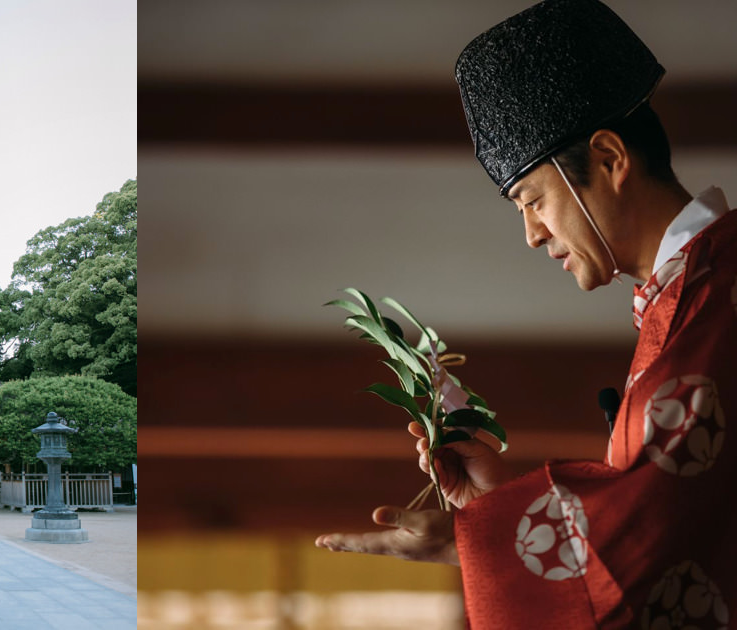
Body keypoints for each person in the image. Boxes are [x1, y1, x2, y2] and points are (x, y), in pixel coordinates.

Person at [314, 1, 735, 627]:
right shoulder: (689, 296)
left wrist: (478, 538)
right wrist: (496, 510)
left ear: (611, 159)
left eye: (532, 200)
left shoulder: (718, 287)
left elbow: (660, 519)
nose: (533, 235)